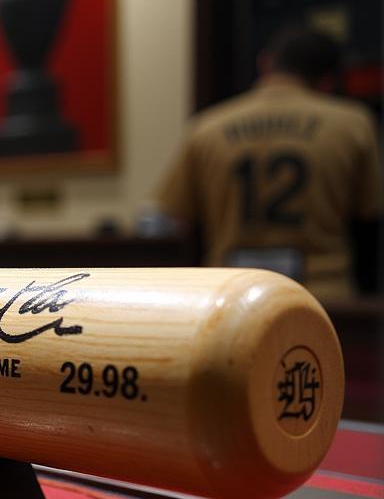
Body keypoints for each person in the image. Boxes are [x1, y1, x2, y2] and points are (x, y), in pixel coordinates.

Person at [153, 27, 382, 300]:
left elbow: (173, 216)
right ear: (328, 81)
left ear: (265, 63)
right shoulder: (354, 124)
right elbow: (371, 212)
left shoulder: (207, 128)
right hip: (323, 298)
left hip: (230, 298)